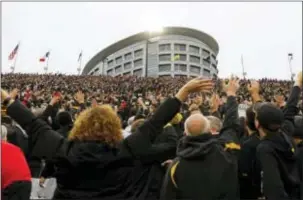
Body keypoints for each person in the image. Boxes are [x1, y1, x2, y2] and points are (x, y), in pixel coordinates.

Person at [1, 77, 213, 200]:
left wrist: (7, 99)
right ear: (114, 126)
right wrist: (182, 92)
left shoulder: (64, 150)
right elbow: (155, 122)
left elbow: (33, 123)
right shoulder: (128, 148)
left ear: (81, 124)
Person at [161, 76, 241, 200]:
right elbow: (232, 124)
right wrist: (231, 94)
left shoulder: (176, 166)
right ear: (210, 130)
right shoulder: (226, 150)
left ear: (185, 134)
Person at [256, 72, 302, 200]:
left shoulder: (265, 148)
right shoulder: (286, 130)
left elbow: (273, 188)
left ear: (258, 124)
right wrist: (298, 83)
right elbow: (290, 107)